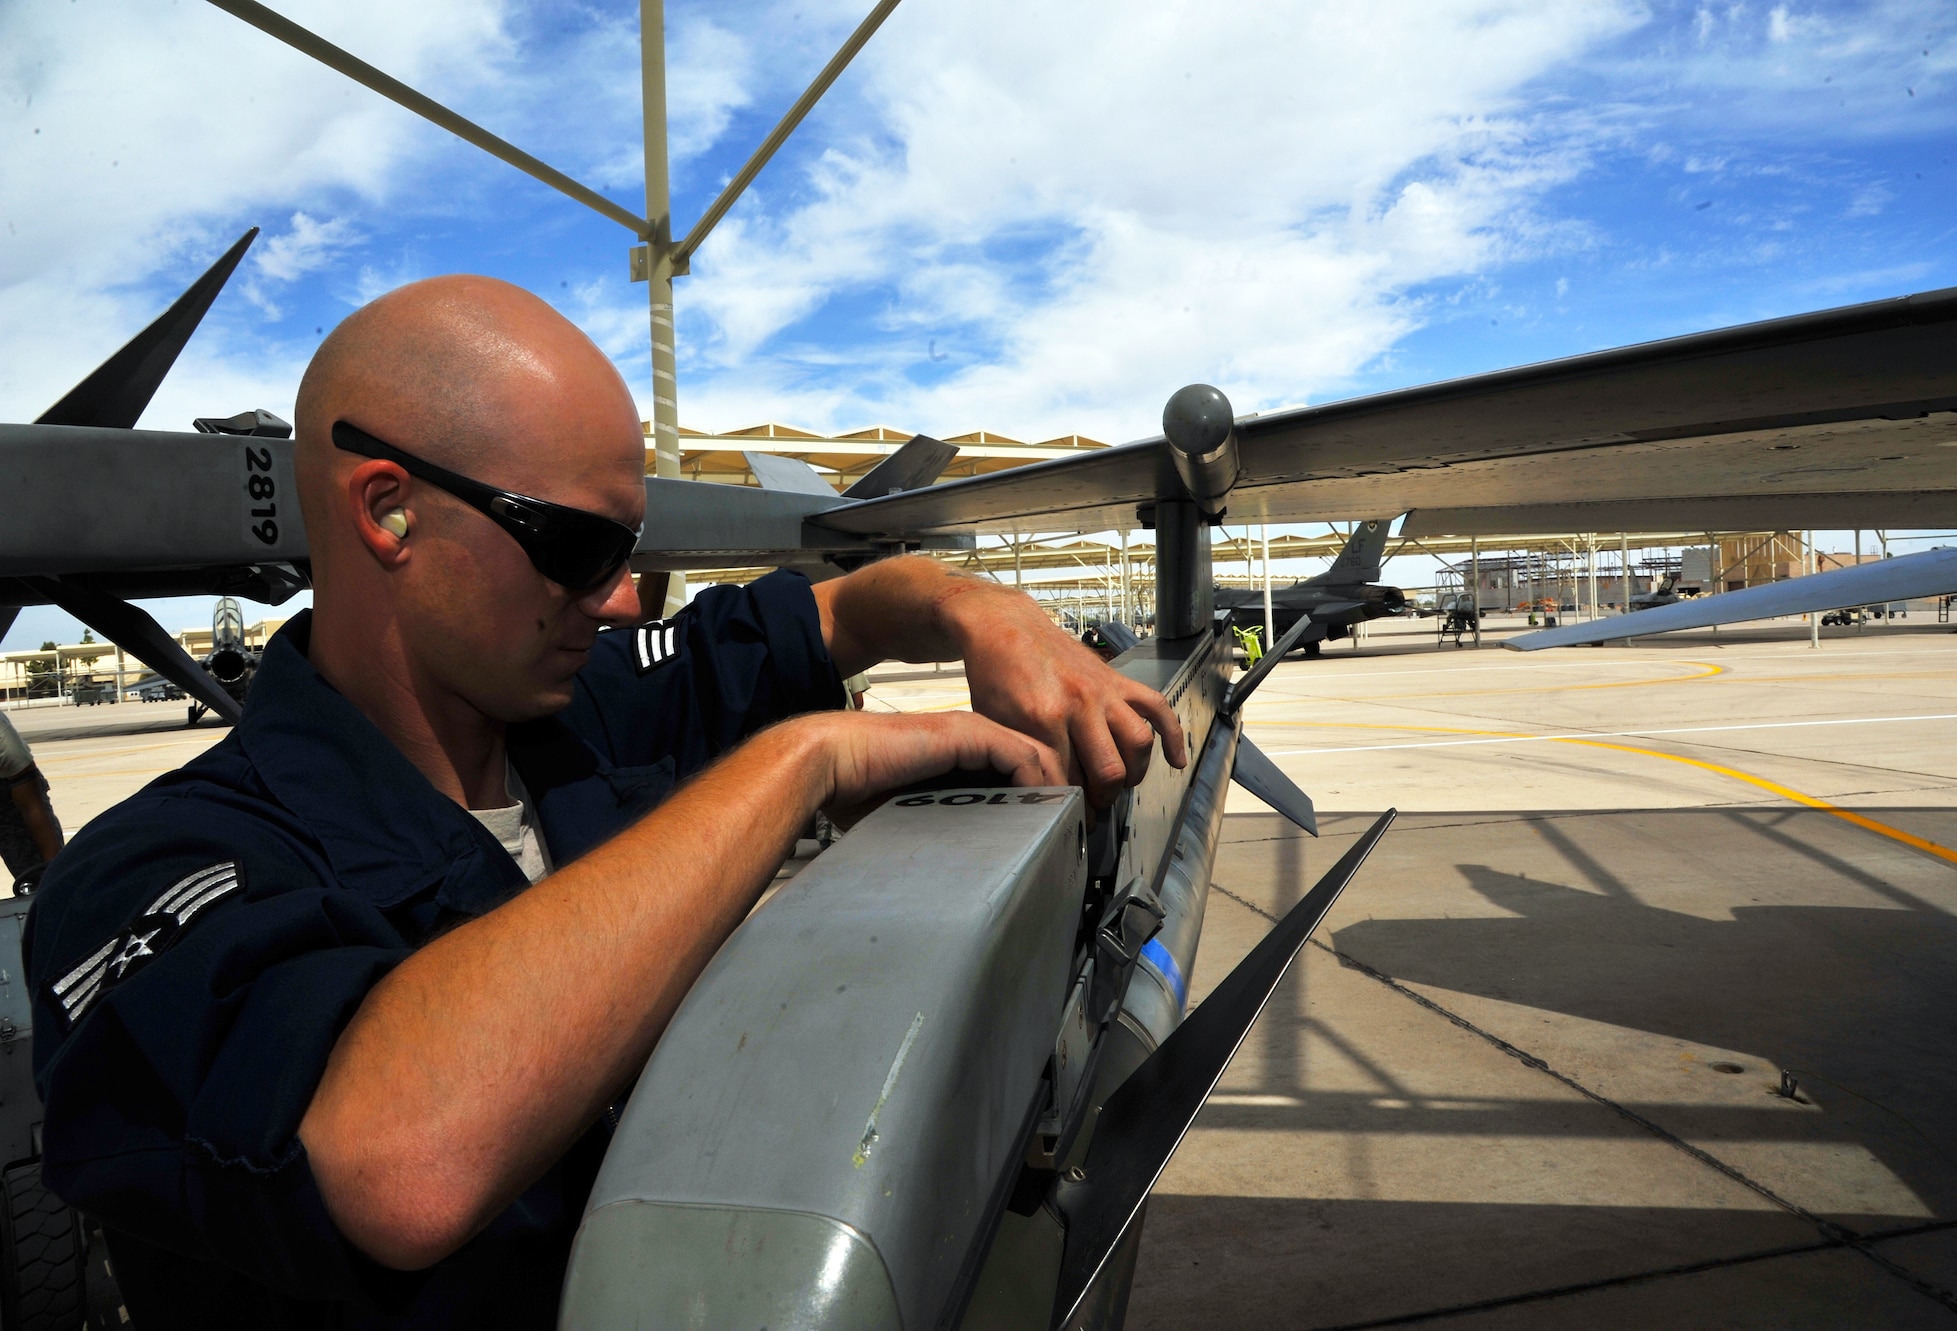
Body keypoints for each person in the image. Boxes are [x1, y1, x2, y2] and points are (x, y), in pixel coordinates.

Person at [25, 276, 1185, 1329]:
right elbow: (398, 1160)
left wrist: (977, 608)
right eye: (577, 543)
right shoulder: (152, 874)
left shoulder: (577, 715)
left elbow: (834, 612)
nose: (623, 595)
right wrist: (800, 761)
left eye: (626, 545)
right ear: (388, 512)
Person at [0, 711, 63, 889]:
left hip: (8, 792)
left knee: (36, 873)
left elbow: (32, 807)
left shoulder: (5, 743)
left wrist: (54, 874)